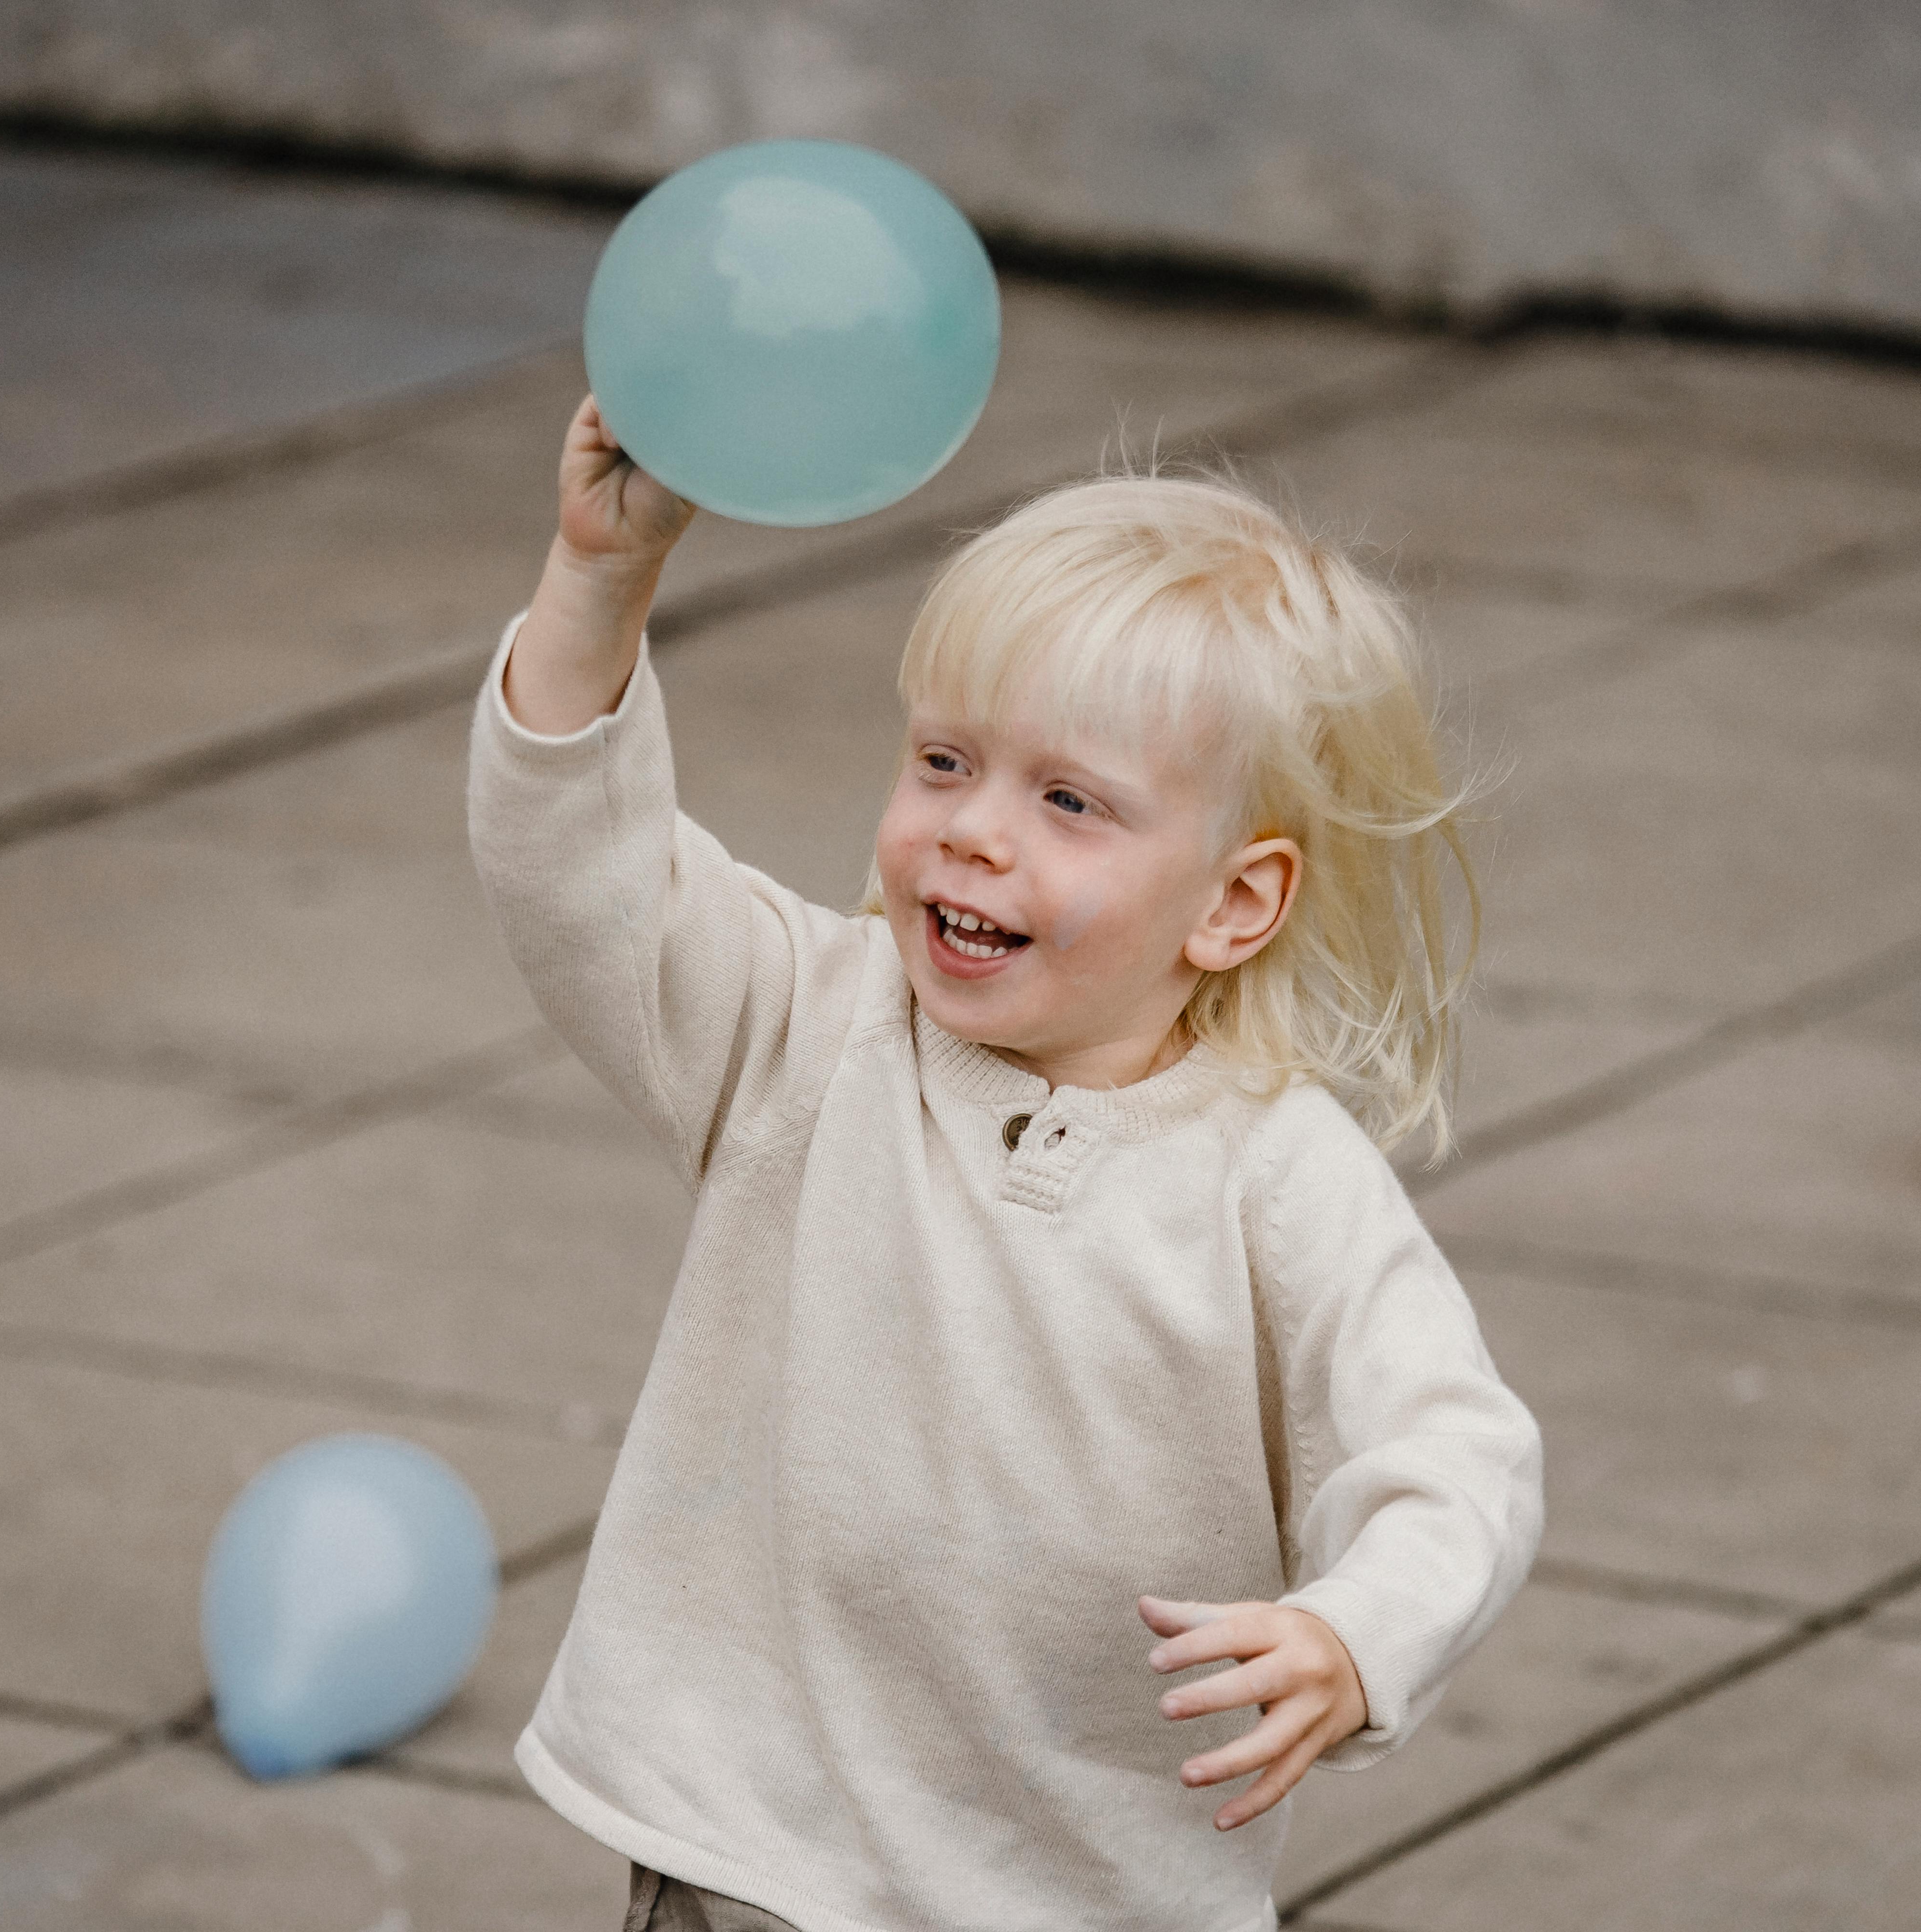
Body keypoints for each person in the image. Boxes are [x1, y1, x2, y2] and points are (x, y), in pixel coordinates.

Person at [469, 397, 1543, 1932]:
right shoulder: (811, 1031)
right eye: (944, 760)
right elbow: (580, 874)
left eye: (1068, 801)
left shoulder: (1276, 1182)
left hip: (1082, 1886)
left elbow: (1458, 1456)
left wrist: (1360, 1635)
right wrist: (595, 584)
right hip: (754, 1848)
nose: (971, 832)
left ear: (1233, 906)